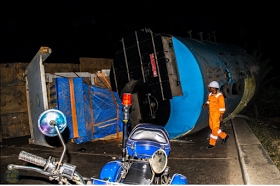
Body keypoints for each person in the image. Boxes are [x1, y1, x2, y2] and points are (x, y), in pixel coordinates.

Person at [202, 81, 229, 149]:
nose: (209, 88)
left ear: (214, 88)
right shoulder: (210, 94)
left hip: (216, 114)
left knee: (214, 129)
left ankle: (212, 143)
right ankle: (224, 136)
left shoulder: (220, 96)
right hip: (211, 113)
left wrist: (221, 116)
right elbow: (209, 101)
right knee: (213, 128)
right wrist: (206, 104)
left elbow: (222, 107)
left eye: (210, 87)